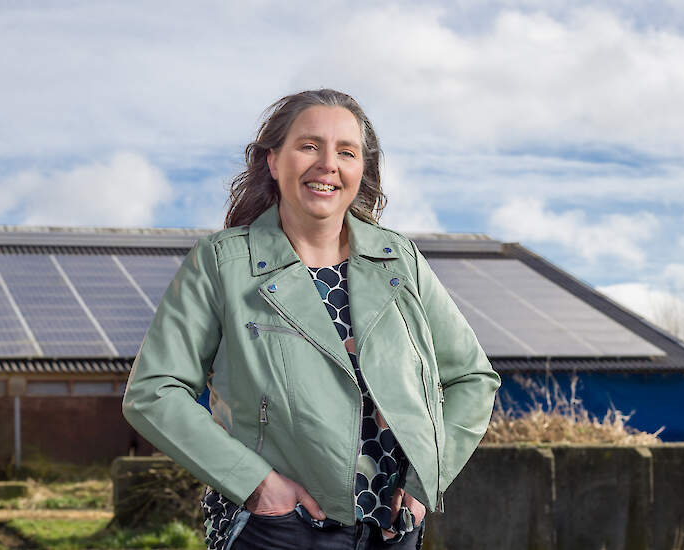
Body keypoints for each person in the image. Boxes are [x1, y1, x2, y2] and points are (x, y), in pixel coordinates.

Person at [123, 89, 500, 550]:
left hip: (391, 531)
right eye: (308, 146)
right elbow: (153, 391)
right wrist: (258, 485)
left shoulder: (399, 259)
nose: (328, 164)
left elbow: (473, 379)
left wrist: (426, 483)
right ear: (272, 160)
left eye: (346, 152)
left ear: (362, 170)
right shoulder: (222, 263)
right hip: (277, 530)